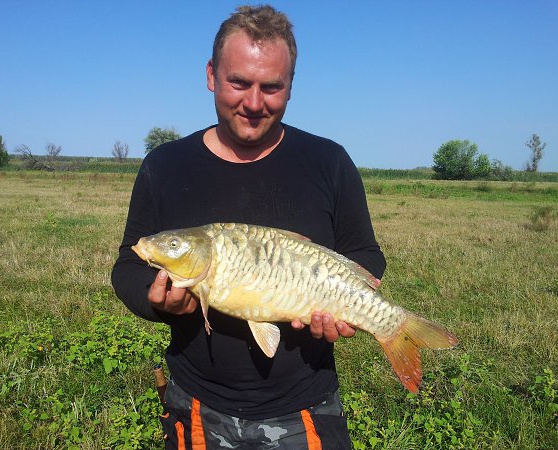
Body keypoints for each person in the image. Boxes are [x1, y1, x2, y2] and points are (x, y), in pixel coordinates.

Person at [112, 5, 386, 449]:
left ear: (291, 85)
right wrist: (156, 301)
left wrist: (346, 302)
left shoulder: (329, 162)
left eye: (272, 87)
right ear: (211, 75)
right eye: (239, 82)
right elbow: (128, 263)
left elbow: (366, 253)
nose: (254, 103)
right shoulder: (165, 165)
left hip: (306, 403)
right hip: (197, 400)